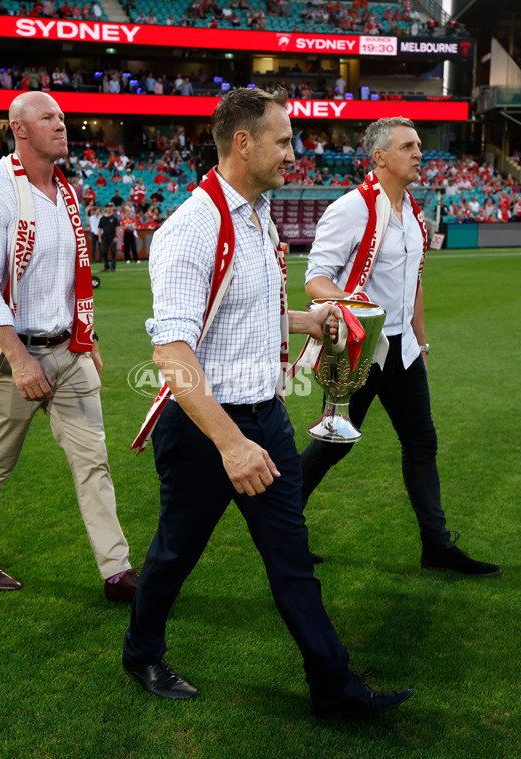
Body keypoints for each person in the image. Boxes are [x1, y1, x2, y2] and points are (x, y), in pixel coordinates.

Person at [122, 88, 413, 719]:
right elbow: (172, 356)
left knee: (291, 560)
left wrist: (312, 319)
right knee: (176, 551)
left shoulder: (257, 213)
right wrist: (231, 444)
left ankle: (334, 689)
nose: (294, 151)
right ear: (243, 143)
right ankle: (141, 649)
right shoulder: (190, 229)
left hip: (266, 416)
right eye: (283, 140)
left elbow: (245, 313)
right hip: (207, 430)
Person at [0, 91, 139, 602]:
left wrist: (89, 336)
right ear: (19, 129)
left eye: (62, 117)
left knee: (93, 460)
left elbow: (71, 276)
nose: (61, 125)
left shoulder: (65, 190)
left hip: (69, 351)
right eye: (48, 118)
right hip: (13, 356)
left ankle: (117, 570)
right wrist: (19, 359)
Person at [301, 116, 501, 578]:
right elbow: (315, 280)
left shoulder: (412, 210)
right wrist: (358, 311)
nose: (419, 153)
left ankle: (437, 547)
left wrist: (422, 340)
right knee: (334, 446)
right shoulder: (351, 208)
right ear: (379, 157)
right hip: (362, 350)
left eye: (418, 145)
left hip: (405, 350)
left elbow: (414, 283)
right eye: (408, 146)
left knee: (421, 443)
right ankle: (282, 525)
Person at [98, 203, 120, 271]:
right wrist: (99, 237)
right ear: (106, 208)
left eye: (111, 207)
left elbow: (117, 228)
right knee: (104, 251)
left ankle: (113, 267)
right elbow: (99, 228)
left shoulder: (114, 218)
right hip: (104, 237)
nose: (110, 208)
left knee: (113, 252)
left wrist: (116, 236)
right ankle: (106, 266)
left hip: (112, 237)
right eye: (108, 207)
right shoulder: (102, 218)